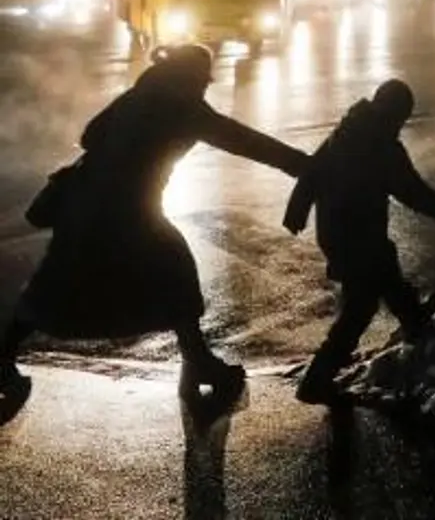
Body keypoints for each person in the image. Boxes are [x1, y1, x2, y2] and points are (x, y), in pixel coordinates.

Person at [0, 44, 309, 401]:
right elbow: (244, 140)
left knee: (56, 282)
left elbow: (90, 135)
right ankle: (199, 363)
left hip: (84, 202)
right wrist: (304, 165)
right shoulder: (184, 107)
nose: (204, 87)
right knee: (175, 274)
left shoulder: (141, 93)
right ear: (192, 78)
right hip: (128, 210)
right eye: (202, 81)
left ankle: (4, 358)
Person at [283, 78, 435, 405]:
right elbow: (411, 190)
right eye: (402, 116)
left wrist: (296, 211)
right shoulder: (383, 147)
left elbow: (313, 172)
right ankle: (317, 379)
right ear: (396, 113)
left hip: (336, 231)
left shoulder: (348, 131)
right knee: (360, 306)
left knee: (386, 271)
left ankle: (414, 320)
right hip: (357, 234)